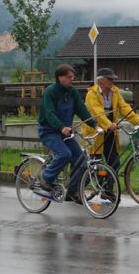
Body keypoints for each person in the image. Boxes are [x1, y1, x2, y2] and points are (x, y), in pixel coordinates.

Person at [37, 64, 98, 204]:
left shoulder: (72, 92)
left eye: (73, 77)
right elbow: (50, 114)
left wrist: (95, 125)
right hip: (49, 131)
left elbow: (82, 110)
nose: (72, 80)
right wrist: (61, 126)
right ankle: (45, 178)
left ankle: (72, 191)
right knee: (65, 154)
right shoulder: (50, 92)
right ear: (60, 78)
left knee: (81, 159)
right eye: (69, 77)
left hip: (65, 133)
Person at [84, 67, 139, 171]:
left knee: (114, 162)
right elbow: (98, 113)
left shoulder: (115, 92)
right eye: (109, 78)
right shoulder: (92, 94)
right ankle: (88, 183)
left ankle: (109, 185)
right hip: (96, 132)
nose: (112, 81)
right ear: (100, 80)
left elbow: (124, 108)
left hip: (111, 132)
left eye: (113, 78)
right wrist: (108, 125)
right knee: (95, 165)